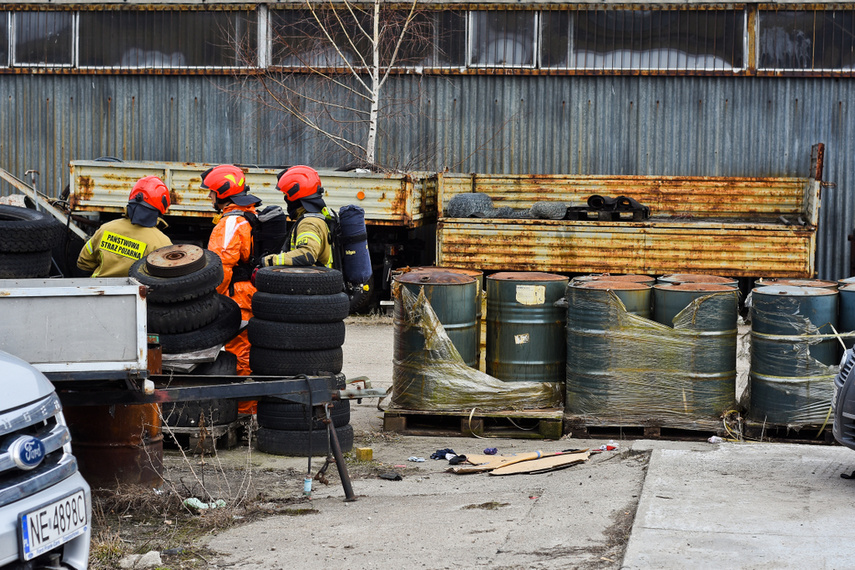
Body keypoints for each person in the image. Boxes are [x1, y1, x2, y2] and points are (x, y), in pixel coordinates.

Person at [202, 164, 261, 384]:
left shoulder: (231, 222)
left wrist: (210, 297)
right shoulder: (248, 215)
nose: (209, 196)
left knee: (239, 354)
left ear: (223, 193)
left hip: (237, 295)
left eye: (212, 192)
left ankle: (245, 413)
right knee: (245, 351)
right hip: (247, 291)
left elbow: (222, 266)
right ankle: (248, 410)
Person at [77, 175, 172, 277]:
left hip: (98, 290)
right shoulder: (162, 243)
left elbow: (83, 264)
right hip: (138, 292)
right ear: (162, 204)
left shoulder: (105, 229)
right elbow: (167, 280)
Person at [261, 165, 333, 268]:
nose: (286, 199)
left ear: (296, 195)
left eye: (286, 195)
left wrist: (270, 261)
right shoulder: (318, 217)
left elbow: (307, 254)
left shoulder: (309, 223)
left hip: (311, 282)